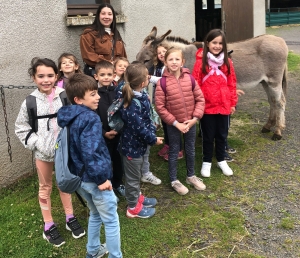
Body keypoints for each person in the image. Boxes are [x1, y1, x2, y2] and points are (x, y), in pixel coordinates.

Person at [15, 58, 85, 247]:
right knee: (45, 187)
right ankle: (48, 224)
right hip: (43, 154)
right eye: (41, 76)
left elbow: (74, 117)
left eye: (50, 76)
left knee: (65, 183)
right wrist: (38, 144)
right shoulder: (30, 102)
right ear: (33, 77)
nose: (46, 80)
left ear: (56, 76)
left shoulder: (64, 95)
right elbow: (21, 128)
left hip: (64, 152)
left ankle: (70, 217)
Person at [57, 74, 122, 258]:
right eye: (92, 94)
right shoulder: (90, 119)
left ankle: (92, 251)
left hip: (80, 179)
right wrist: (101, 178)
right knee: (111, 220)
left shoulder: (70, 117)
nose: (98, 97)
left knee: (95, 213)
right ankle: (115, 256)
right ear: (78, 99)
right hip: (94, 179)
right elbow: (91, 151)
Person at [155, 48, 206, 195]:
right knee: (174, 150)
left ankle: (191, 176)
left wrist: (194, 119)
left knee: (190, 149)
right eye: (170, 59)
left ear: (182, 61)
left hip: (190, 122)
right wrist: (176, 123)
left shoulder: (190, 79)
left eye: (177, 59)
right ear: (165, 62)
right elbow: (160, 107)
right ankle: (174, 180)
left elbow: (200, 99)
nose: (174, 62)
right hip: (173, 125)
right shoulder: (162, 83)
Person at [118, 63, 164, 218]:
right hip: (132, 148)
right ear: (142, 82)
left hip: (138, 146)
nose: (149, 77)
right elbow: (139, 128)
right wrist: (153, 139)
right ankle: (132, 208)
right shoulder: (131, 103)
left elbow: (146, 119)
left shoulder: (139, 94)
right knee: (132, 179)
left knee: (136, 176)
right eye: (147, 76)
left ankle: (136, 197)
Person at [192, 29, 238, 178]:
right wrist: (198, 104)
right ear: (207, 43)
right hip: (207, 107)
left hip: (224, 105)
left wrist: (232, 103)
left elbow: (232, 83)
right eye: (214, 43)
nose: (217, 46)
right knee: (208, 136)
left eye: (220, 43)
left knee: (222, 135)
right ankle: (206, 162)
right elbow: (195, 84)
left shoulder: (228, 62)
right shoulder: (200, 63)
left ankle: (221, 159)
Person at [94, 60, 125, 197]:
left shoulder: (118, 92)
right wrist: (104, 133)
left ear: (114, 75)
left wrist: (120, 129)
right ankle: (108, 187)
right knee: (105, 162)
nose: (106, 77)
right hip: (103, 136)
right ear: (96, 77)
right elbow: (93, 117)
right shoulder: (94, 94)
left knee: (118, 160)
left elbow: (122, 111)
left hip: (118, 134)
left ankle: (118, 183)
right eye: (102, 75)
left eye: (109, 74)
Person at [148, 43, 184, 161]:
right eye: (159, 53)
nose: (161, 54)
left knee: (174, 126)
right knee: (166, 125)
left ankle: (178, 150)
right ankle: (169, 144)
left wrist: (150, 78)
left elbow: (166, 81)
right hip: (164, 102)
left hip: (173, 102)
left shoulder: (172, 68)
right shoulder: (159, 67)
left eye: (164, 51)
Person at [80, 3, 127, 77]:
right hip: (96, 74)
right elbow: (88, 56)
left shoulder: (116, 34)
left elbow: (123, 57)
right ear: (98, 15)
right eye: (103, 14)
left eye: (109, 14)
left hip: (115, 75)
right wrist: (108, 63)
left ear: (113, 17)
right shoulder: (89, 33)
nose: (106, 17)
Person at [224, 89, 245, 162]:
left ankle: (224, 146)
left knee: (224, 125)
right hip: (217, 99)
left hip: (225, 99)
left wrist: (233, 102)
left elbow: (231, 82)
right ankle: (221, 151)